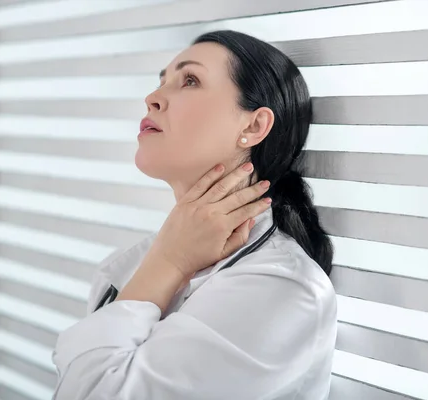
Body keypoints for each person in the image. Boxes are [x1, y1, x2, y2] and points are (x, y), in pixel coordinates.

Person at [52, 30, 337, 400]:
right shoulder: (134, 262)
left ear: (253, 126)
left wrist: (170, 263)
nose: (153, 98)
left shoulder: (281, 287)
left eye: (189, 80)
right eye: (161, 82)